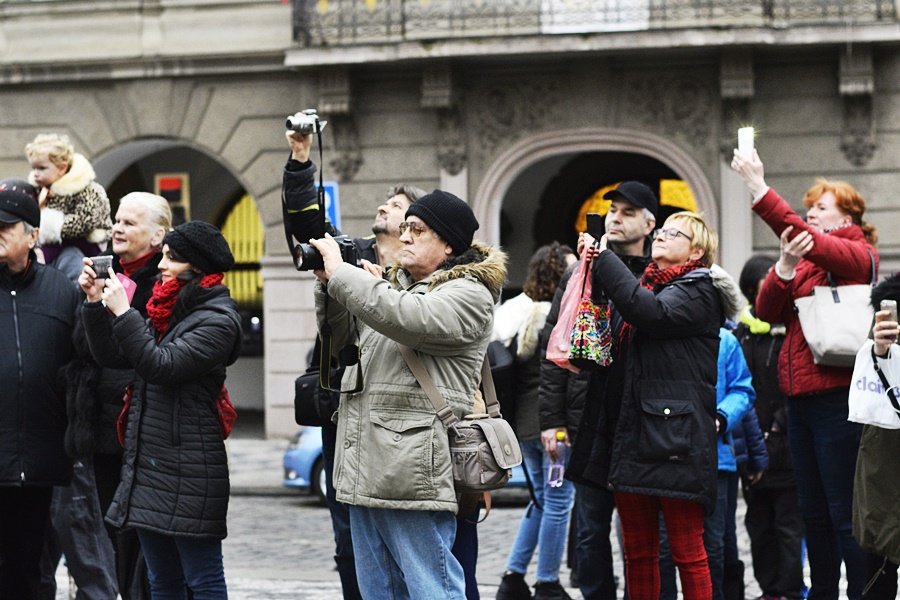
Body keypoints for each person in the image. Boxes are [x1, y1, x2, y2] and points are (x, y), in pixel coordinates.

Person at [309, 190, 506, 599]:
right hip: (366, 461)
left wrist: (352, 280)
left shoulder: (470, 293)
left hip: (412, 466)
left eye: (417, 229)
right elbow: (343, 341)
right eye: (404, 229)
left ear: (449, 243)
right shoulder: (389, 287)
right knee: (378, 590)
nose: (405, 238)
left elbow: (408, 319)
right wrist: (331, 285)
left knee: (430, 588)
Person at [282, 127, 426, 599]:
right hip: (342, 406)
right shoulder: (351, 252)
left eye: (397, 204)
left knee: (405, 542)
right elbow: (305, 228)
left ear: (416, 224)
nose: (384, 207)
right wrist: (302, 160)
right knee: (350, 540)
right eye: (384, 203)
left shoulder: (422, 270)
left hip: (398, 412)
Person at [731, 150, 878, 600]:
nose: (811, 211)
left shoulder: (858, 254)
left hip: (836, 400)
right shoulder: (807, 256)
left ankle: (862, 590)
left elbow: (808, 236)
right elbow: (766, 311)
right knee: (812, 508)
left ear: (848, 213)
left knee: (840, 509)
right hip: (800, 400)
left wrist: (759, 187)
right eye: (809, 205)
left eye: (820, 206)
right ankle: (824, 591)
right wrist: (784, 268)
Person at [79, 221, 242, 598]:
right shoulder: (166, 311)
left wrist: (123, 313)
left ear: (196, 267)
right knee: (161, 580)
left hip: (191, 469)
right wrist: (94, 303)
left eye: (171, 258)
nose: (162, 265)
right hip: (150, 463)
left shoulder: (218, 320)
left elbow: (161, 366)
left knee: (202, 579)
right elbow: (113, 356)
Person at [580, 210, 726, 600]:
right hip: (633, 432)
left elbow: (651, 313)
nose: (660, 236)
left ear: (695, 250)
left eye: (672, 233)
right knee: (638, 552)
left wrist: (603, 256)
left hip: (674, 438)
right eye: (661, 230)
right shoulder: (647, 284)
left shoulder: (698, 288)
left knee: (687, 551)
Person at [53, 192, 173, 599]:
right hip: (104, 428)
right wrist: (91, 302)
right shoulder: (109, 275)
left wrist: (117, 310)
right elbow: (97, 353)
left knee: (145, 543)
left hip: (146, 429)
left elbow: (137, 356)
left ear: (158, 236)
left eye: (130, 223)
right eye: (117, 221)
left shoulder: (164, 283)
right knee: (115, 534)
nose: (118, 229)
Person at [551, 180, 658, 600]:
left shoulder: (658, 274)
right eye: (612, 209)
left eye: (628, 212)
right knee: (590, 529)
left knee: (643, 532)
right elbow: (555, 348)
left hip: (639, 419)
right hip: (590, 416)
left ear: (650, 224)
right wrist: (553, 420)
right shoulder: (580, 272)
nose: (615, 217)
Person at [0, 178, 80, 598]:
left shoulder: (61, 292)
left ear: (32, 236)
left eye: (5, 226)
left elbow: (84, 365)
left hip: (38, 462)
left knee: (28, 570)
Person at [493, 242, 576, 600]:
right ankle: (547, 583)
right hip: (552, 425)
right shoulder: (557, 318)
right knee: (558, 501)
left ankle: (513, 577)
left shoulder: (515, 313)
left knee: (542, 499)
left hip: (525, 425)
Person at [659, 315, 755, 600]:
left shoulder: (725, 341)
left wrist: (720, 418)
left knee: (714, 546)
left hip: (715, 458)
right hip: (665, 456)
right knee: (663, 548)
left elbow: (743, 389)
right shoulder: (660, 336)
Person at [734, 254, 805, 600]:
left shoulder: (794, 328)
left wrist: (775, 431)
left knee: (788, 527)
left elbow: (794, 387)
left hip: (786, 446)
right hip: (751, 446)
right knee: (758, 526)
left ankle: (790, 591)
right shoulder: (740, 335)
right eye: (765, 281)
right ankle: (769, 590)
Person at [851, 275, 900, 599]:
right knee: (881, 541)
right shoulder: (891, 300)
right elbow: (878, 358)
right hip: (887, 440)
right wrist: (882, 348)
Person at [26, 133, 112, 280]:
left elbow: (87, 220)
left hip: (85, 249)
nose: (36, 174)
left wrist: (52, 226)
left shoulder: (87, 188)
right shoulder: (39, 191)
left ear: (61, 168)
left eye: (41, 168)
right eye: (34, 168)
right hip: (51, 250)